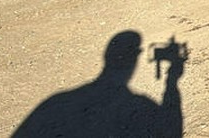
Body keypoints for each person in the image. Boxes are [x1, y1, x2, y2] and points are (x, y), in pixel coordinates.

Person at [12, 30, 184, 137]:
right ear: (136, 57)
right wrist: (171, 81)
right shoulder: (142, 104)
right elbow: (173, 128)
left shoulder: (54, 102)